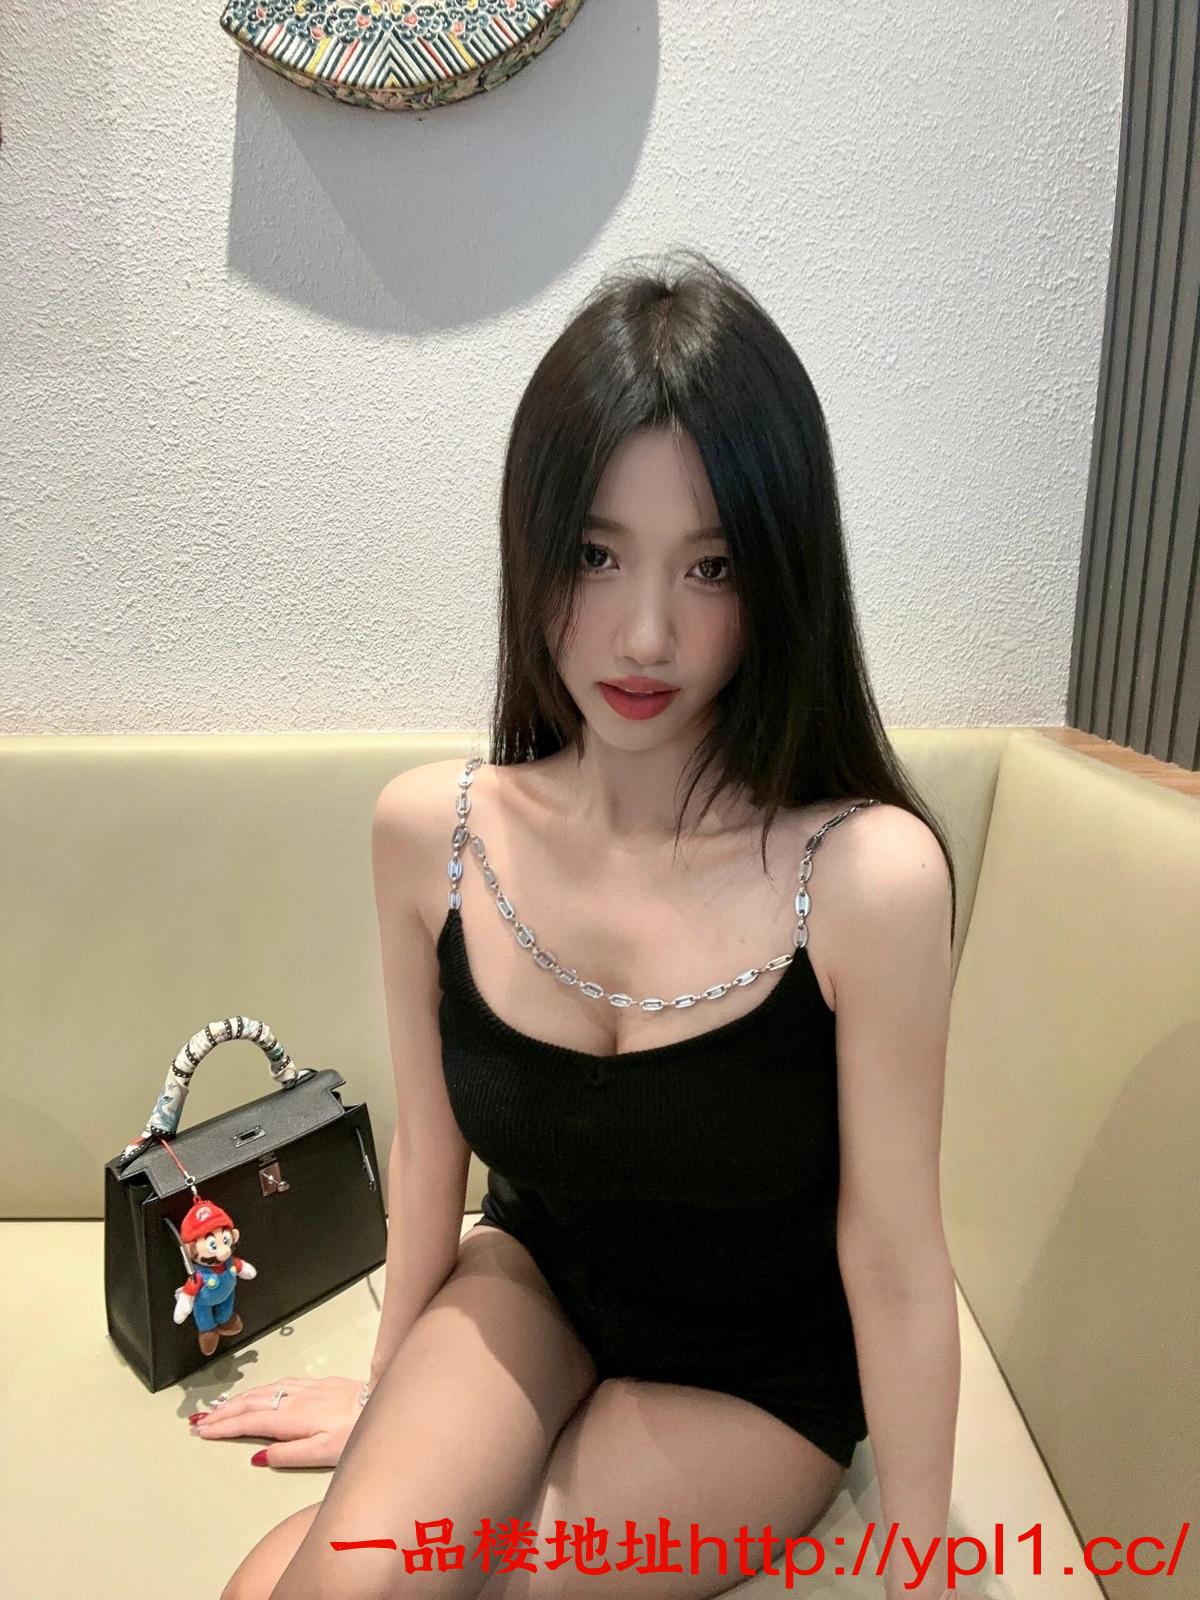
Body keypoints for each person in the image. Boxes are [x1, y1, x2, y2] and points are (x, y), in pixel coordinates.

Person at [202, 249, 986, 1600]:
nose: (645, 635)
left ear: (781, 574)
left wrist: (928, 1570)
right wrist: (392, 1400)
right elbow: (432, 1148)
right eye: (596, 555)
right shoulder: (432, 833)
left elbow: (898, 1261)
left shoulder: (869, 878)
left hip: (755, 1377)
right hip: (530, 1286)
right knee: (338, 1584)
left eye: (712, 566)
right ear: (533, 549)